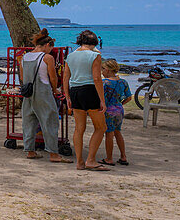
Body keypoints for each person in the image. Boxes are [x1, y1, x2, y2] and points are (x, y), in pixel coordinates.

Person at [18, 29, 72, 163]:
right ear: (47, 45)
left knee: (29, 122)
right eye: (51, 47)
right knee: (50, 121)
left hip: (28, 93)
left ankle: (30, 151)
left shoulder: (25, 57)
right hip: (43, 92)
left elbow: (23, 77)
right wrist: (55, 90)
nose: (51, 50)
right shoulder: (47, 58)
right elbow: (53, 77)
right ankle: (53, 154)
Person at [63, 29, 109, 171]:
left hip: (75, 91)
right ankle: (90, 160)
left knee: (79, 128)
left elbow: (66, 77)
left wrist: (67, 96)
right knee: (101, 127)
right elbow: (96, 78)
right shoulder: (95, 55)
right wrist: (102, 99)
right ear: (94, 43)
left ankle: (79, 162)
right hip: (90, 90)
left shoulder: (70, 56)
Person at [101, 59, 132, 166]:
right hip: (119, 109)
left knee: (109, 133)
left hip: (108, 110)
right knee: (118, 132)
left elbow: (101, 98)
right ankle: (123, 156)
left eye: (103, 69)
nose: (102, 71)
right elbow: (129, 97)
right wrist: (120, 104)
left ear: (109, 70)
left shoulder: (105, 83)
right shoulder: (123, 82)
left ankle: (109, 158)